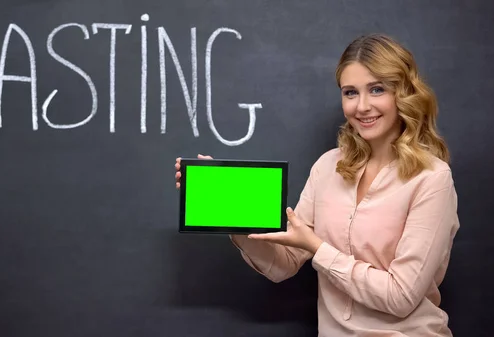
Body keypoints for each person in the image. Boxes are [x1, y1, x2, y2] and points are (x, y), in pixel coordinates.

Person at [174, 33, 459, 336]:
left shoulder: (432, 179)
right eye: (350, 93)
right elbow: (283, 265)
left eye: (377, 90)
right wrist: (227, 206)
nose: (362, 106)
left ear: (403, 94)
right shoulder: (328, 167)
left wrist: (317, 247)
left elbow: (400, 297)